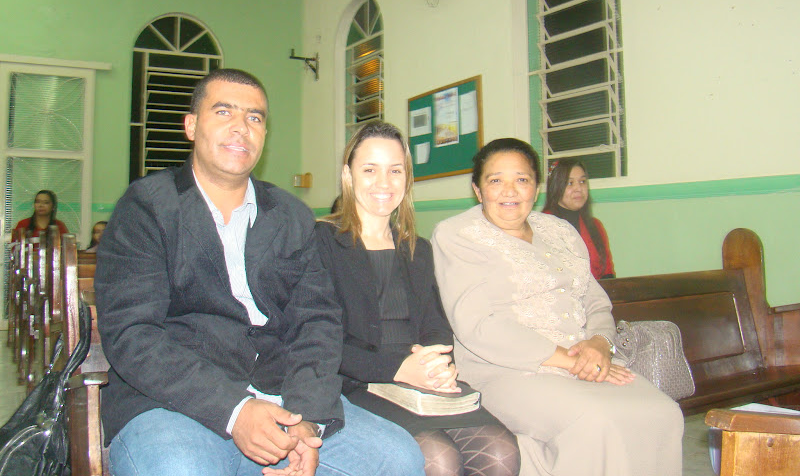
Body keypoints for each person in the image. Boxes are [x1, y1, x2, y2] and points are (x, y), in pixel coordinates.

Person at [95, 69, 424, 476]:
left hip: (283, 398)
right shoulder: (146, 207)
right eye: (224, 112)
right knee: (181, 469)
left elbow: (317, 322)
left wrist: (308, 419)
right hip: (175, 403)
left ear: (264, 134)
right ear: (191, 125)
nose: (241, 127)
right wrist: (235, 411)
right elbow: (132, 332)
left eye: (254, 117)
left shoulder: (291, 215)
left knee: (399, 459)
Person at [431, 138, 683, 476]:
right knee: (597, 421)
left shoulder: (559, 230)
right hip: (507, 369)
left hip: (586, 360)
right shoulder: (457, 234)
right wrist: (572, 361)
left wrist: (600, 344)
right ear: (478, 190)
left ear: (536, 188)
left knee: (662, 413)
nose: (510, 190)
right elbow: (477, 325)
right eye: (496, 180)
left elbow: (594, 300)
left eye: (521, 179)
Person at [315, 121, 520, 476]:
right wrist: (399, 369)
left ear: (407, 178)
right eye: (370, 170)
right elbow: (319, 340)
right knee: (437, 458)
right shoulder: (320, 241)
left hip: (418, 381)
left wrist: (436, 365)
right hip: (355, 384)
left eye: (395, 170)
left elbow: (435, 325)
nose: (384, 183)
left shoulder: (416, 248)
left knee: (500, 451)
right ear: (348, 175)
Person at [543, 159, 615, 279]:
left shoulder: (595, 225)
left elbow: (608, 272)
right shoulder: (542, 227)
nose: (578, 188)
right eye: (570, 183)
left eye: (582, 182)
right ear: (555, 187)